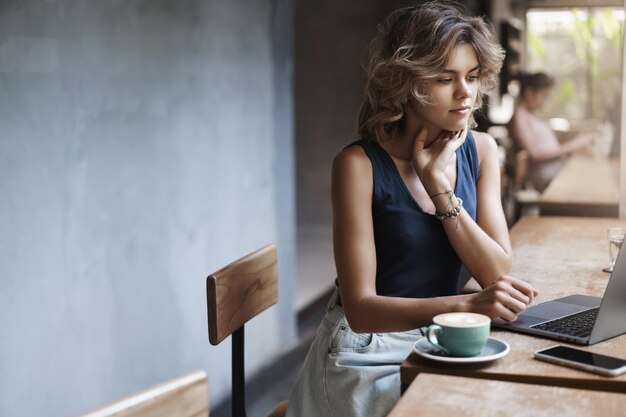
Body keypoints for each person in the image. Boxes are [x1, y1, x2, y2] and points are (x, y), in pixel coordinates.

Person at [286, 3, 538, 417]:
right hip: (367, 352)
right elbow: (362, 310)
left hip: (442, 337)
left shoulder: (483, 150)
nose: (465, 93)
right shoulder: (357, 166)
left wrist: (439, 187)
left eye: (472, 77)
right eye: (445, 79)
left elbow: (496, 271)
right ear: (405, 83)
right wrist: (467, 306)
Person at [507, 72, 596, 192]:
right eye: (543, 95)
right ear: (529, 93)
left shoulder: (528, 116)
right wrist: (574, 144)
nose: (545, 101)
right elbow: (536, 154)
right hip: (549, 179)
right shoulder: (519, 118)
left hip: (556, 173)